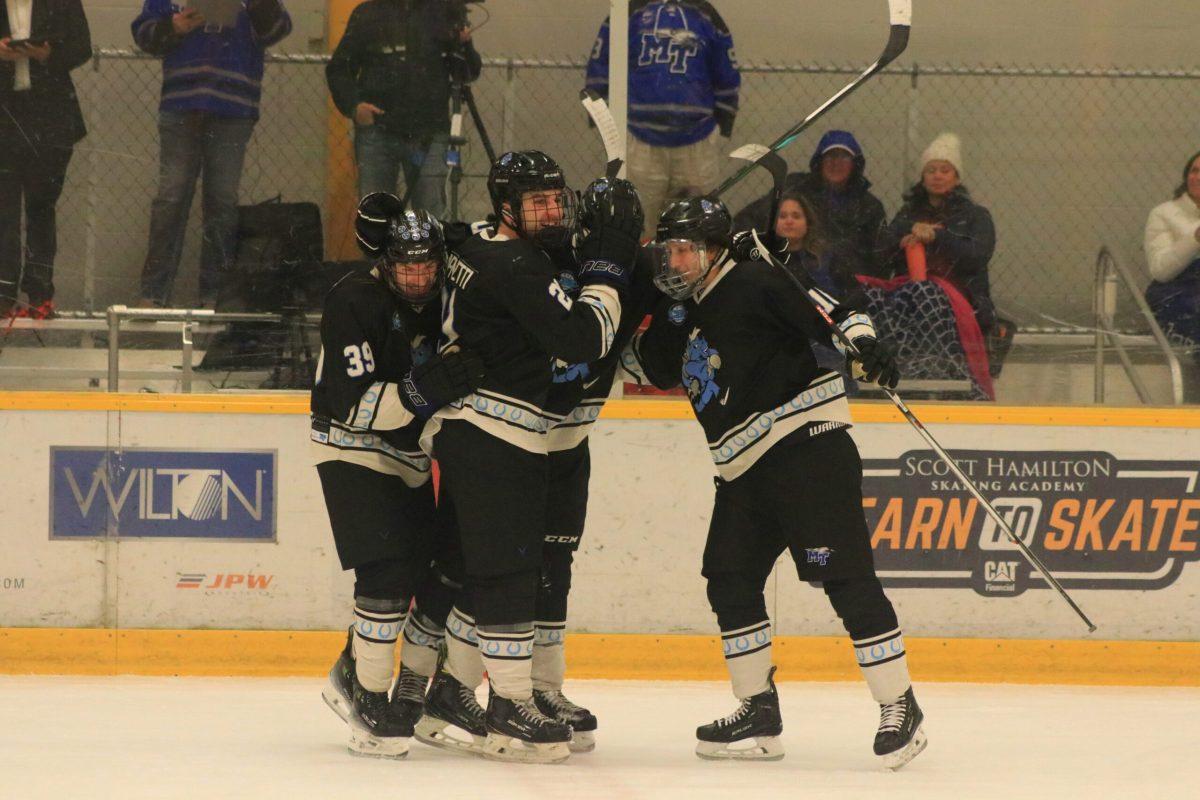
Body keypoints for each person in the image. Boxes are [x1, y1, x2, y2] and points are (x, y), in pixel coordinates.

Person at [626, 195, 927, 770]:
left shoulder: (756, 280)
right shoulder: (682, 309)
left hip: (806, 448)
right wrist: (650, 302)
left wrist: (863, 343)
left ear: (713, 252)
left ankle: (899, 705)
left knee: (844, 579)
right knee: (729, 578)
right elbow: (652, 366)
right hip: (741, 469)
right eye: (670, 250)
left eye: (685, 250)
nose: (674, 261)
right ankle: (757, 708)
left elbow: (830, 312)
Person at [412, 151, 640, 764]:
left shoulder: (485, 244)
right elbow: (584, 337)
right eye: (537, 202)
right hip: (494, 429)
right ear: (506, 206)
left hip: (484, 428)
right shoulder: (514, 263)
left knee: (498, 567)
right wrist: (609, 262)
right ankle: (508, 705)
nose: (552, 210)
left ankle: (455, 693)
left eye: (556, 199)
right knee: (508, 572)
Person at [312, 201, 485, 758]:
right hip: (353, 448)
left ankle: (370, 674)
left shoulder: (445, 295)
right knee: (385, 571)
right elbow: (348, 407)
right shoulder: (353, 299)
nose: (417, 277)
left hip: (409, 454)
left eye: (427, 265)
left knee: (433, 568)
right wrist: (419, 392)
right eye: (405, 266)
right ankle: (366, 691)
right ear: (385, 262)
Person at [132, 0, 292, 308]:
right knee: (171, 197)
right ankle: (153, 294)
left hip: (232, 108)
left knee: (222, 201)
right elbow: (144, 33)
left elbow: (278, 29)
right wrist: (173, 26)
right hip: (182, 105)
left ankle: (214, 296)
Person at [585, 0, 740, 237]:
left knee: (701, 225)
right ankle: (641, 272)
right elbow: (602, 61)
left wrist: (722, 122)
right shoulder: (628, 10)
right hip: (639, 139)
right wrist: (603, 122)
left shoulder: (706, 14)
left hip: (697, 140)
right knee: (636, 223)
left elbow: (726, 71)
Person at [326, 0, 481, 214]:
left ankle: (427, 248)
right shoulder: (368, 14)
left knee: (429, 216)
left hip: (429, 133)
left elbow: (467, 73)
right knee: (376, 217)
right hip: (377, 131)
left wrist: (465, 44)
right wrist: (354, 107)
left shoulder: (442, 13)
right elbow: (339, 69)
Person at [0, 0, 91, 319]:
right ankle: (4, 293)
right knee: (4, 210)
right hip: (4, 116)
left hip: (49, 118)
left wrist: (47, 53)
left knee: (42, 205)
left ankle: (39, 293)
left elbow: (83, 47)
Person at [877, 132, 996, 335]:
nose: (937, 176)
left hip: (962, 297)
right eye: (931, 170)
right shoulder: (908, 214)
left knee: (927, 299)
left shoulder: (975, 215)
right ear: (923, 178)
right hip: (910, 292)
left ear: (957, 177)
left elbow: (977, 255)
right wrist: (903, 242)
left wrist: (938, 238)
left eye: (945, 170)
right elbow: (883, 250)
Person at [734, 130, 887, 279]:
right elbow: (753, 215)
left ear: (855, 164)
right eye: (830, 156)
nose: (836, 163)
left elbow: (878, 253)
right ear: (819, 161)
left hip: (847, 279)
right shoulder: (797, 186)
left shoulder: (869, 206)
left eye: (844, 157)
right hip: (792, 265)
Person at [1143, 149, 1200, 380]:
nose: (1197, 177)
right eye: (1194, 171)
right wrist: (1194, 239)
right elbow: (1161, 270)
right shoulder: (1164, 214)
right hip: (1180, 290)